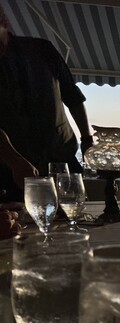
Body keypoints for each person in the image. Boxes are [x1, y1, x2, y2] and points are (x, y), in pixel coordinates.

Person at [0, 8, 92, 193]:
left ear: (4, 22)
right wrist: (15, 162)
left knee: (73, 208)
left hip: (62, 159)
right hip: (11, 172)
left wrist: (87, 140)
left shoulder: (42, 49)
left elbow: (73, 97)